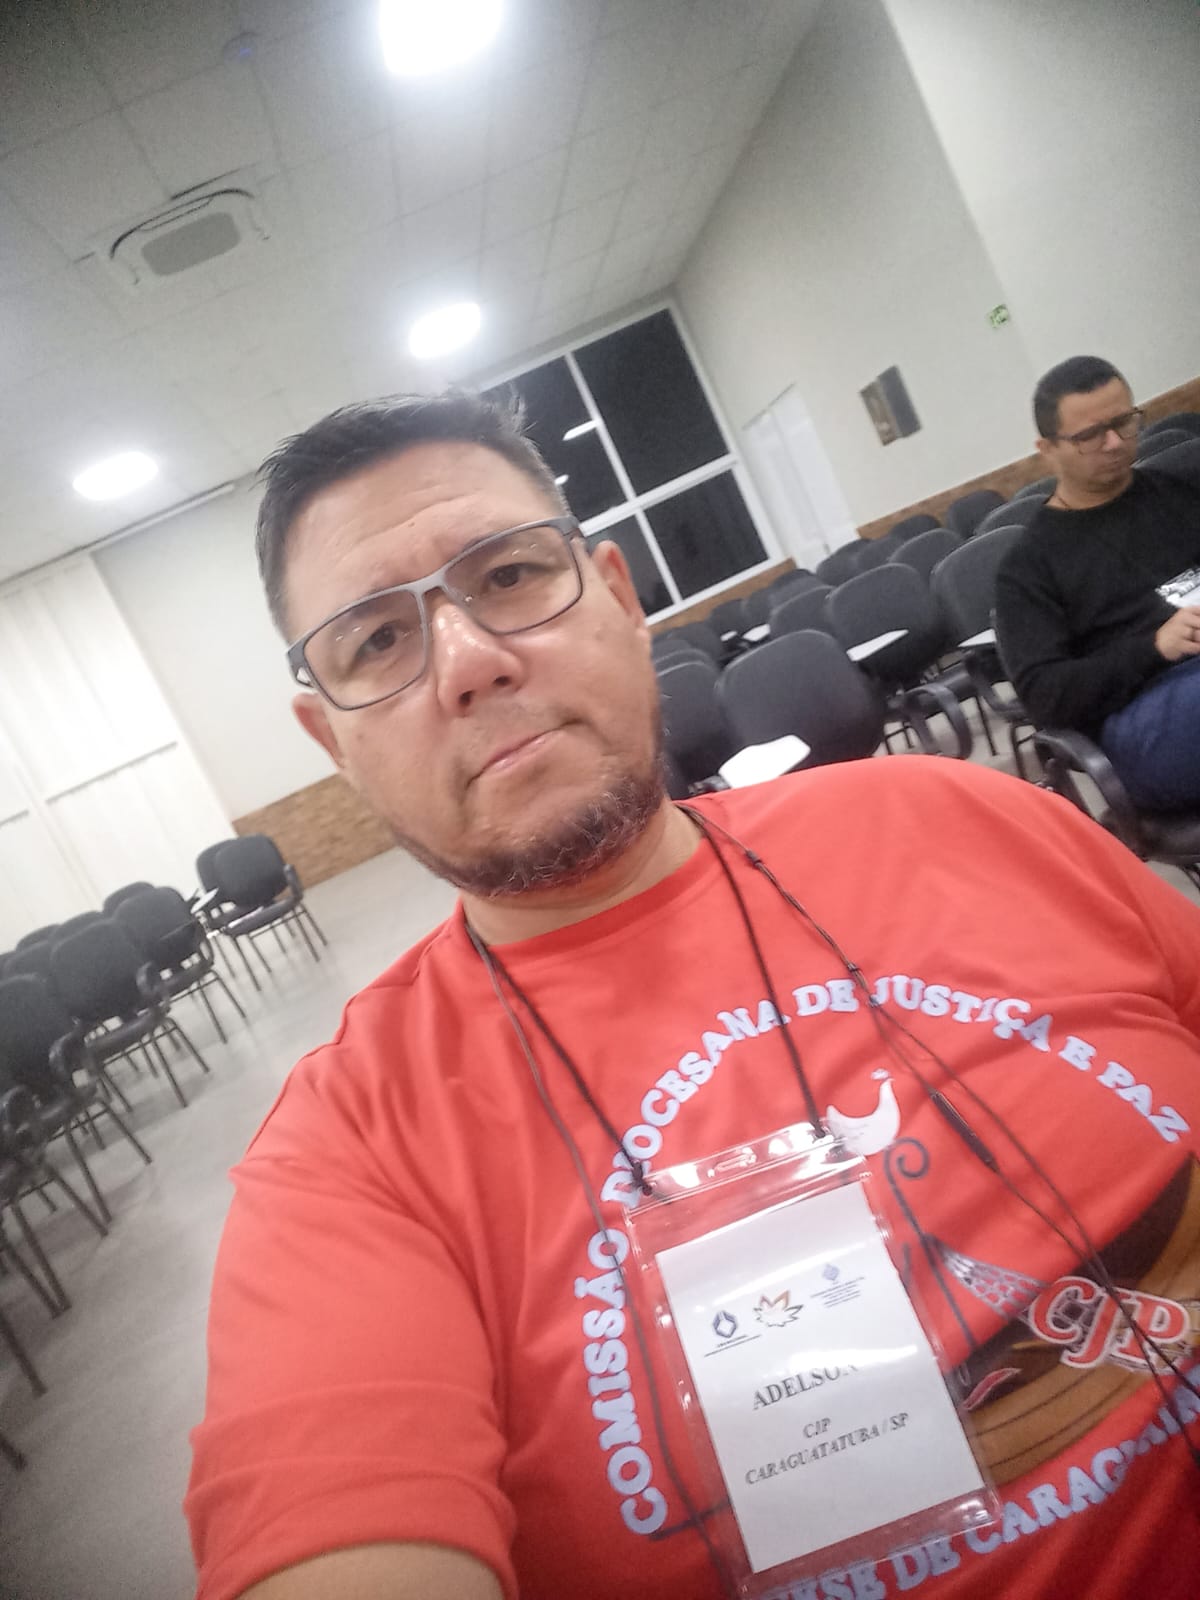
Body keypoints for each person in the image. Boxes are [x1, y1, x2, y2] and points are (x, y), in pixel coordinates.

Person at [187, 392, 1200, 1600]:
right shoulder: (352, 1157)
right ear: (332, 742)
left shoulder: (966, 815)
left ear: (619, 598)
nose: (468, 661)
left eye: (508, 575)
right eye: (376, 643)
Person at [994, 355, 1200, 810]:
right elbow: (1046, 697)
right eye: (1090, 435)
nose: (1114, 443)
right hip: (1144, 712)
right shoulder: (1028, 567)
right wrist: (1154, 647)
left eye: (1124, 422)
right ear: (1047, 449)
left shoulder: (1181, 490)